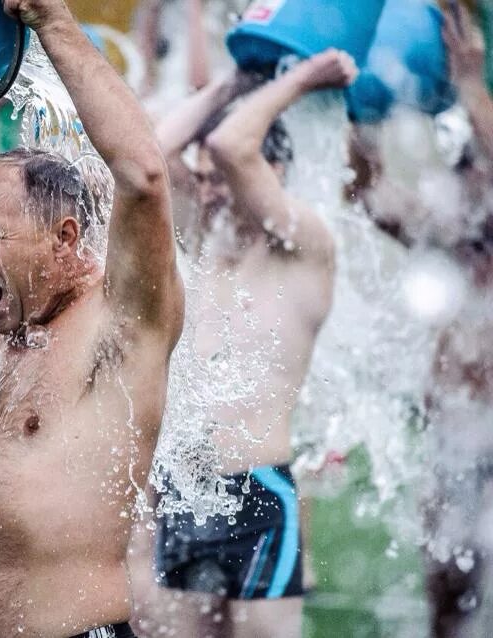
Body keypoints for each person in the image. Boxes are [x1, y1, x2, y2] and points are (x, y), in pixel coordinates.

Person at [0, 0, 184, 635]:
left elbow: (143, 175)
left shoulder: (121, 325)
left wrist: (51, 21)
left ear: (64, 237)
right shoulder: (2, 295)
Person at [129, 12, 357, 634]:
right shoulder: (203, 246)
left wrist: (301, 78)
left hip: (260, 490)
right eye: (201, 180)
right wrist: (230, 83)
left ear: (272, 174)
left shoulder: (304, 244)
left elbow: (232, 148)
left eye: (221, 181)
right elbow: (147, 157)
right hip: (182, 489)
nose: (209, 190)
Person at [348, 6, 493, 636]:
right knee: (448, 583)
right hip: (456, 423)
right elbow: (368, 193)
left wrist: (469, 84)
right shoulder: (453, 239)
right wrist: (360, 112)